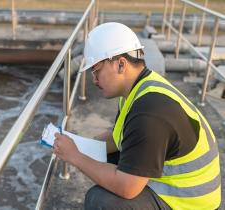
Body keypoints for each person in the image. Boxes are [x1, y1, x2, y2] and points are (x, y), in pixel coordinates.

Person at [50, 22, 221, 210]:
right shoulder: (141, 88)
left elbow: (126, 188)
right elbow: (121, 136)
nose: (94, 79)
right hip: (174, 181)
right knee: (100, 156)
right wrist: (83, 146)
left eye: (96, 69)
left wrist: (74, 156)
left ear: (121, 64)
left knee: (100, 201)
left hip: (189, 201)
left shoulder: (150, 112)